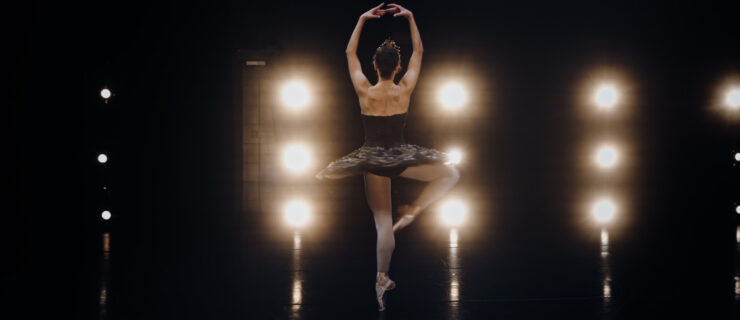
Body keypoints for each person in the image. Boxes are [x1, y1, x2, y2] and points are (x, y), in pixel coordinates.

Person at [314, 3, 461, 311]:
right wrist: (410, 17)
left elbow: (348, 54)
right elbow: (419, 53)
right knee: (451, 174)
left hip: (373, 162)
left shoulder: (365, 90)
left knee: (382, 222)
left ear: (374, 65)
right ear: (397, 67)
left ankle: (382, 278)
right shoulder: (404, 89)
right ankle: (414, 210)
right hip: (401, 158)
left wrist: (361, 19)